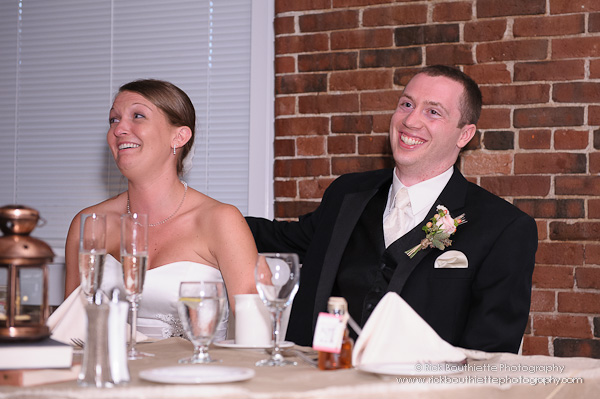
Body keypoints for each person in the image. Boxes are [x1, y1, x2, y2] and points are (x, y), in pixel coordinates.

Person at [246, 65, 537, 353]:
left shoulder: (503, 228)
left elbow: (491, 352)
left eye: (432, 111)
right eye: (407, 104)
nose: (411, 120)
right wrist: (205, 215)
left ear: (465, 135)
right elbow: (282, 238)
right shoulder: (346, 195)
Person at [64, 79, 257, 339]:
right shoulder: (88, 223)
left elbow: (256, 334)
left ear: (178, 137)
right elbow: (69, 331)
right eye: (113, 119)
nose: (119, 128)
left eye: (138, 116)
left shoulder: (220, 221)